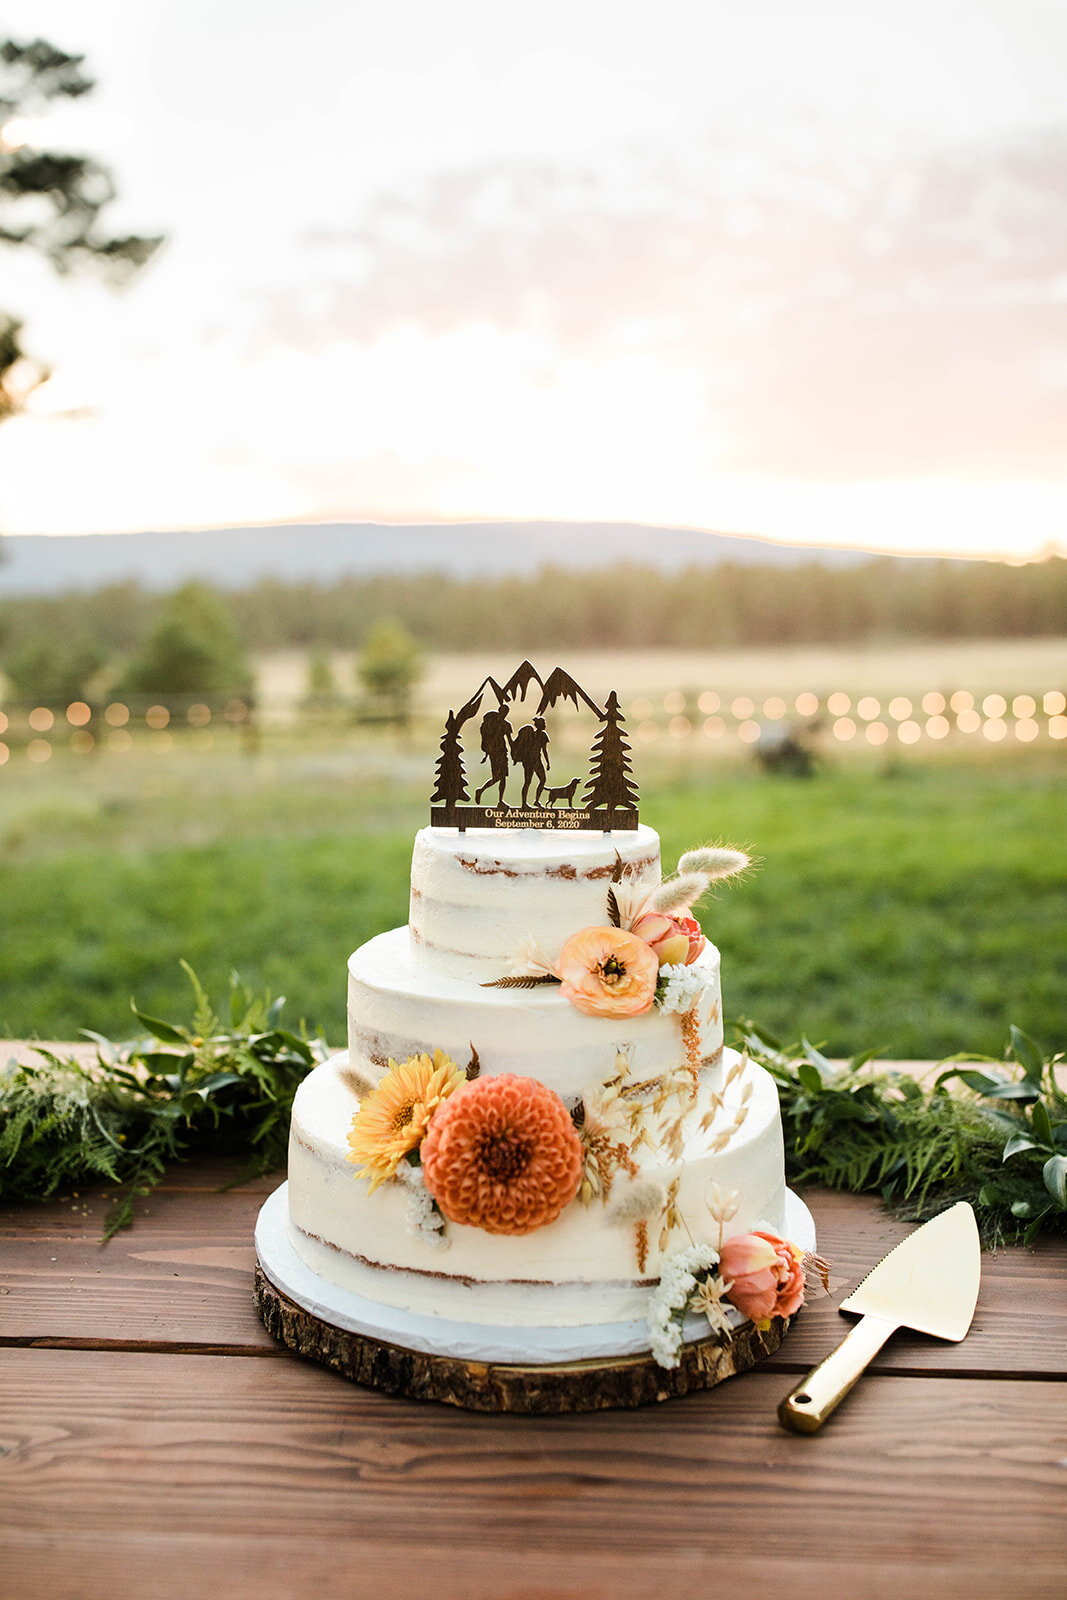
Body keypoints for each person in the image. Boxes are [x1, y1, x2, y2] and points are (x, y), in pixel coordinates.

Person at [474, 705, 513, 805]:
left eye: (506, 712)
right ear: (500, 711)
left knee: (503, 777)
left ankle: (500, 801)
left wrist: (517, 749)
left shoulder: (506, 725)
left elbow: (510, 741)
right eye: (503, 712)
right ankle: (481, 790)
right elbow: (487, 740)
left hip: (503, 752)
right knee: (497, 777)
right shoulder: (491, 724)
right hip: (494, 753)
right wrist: (487, 753)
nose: (504, 714)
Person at [510, 716, 551, 806]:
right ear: (539, 725)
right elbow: (543, 750)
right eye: (543, 724)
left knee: (542, 780)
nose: (545, 725)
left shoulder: (543, 735)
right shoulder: (530, 735)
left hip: (536, 760)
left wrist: (547, 762)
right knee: (528, 782)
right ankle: (524, 803)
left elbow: (544, 750)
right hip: (529, 761)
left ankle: (536, 801)